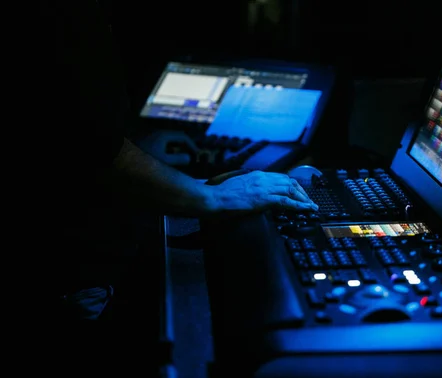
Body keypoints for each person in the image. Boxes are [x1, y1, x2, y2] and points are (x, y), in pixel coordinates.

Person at [29, 0, 318, 326]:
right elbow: (88, 147)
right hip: (65, 273)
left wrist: (138, 150)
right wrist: (212, 196)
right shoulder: (63, 15)